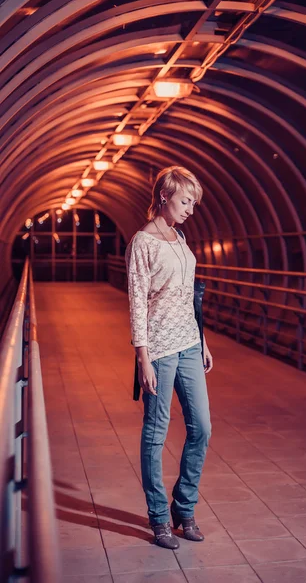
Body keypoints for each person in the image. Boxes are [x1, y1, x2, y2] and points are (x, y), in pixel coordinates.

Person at [125, 165, 213, 550]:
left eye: (193, 202)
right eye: (185, 201)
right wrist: (143, 358)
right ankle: (160, 517)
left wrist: (203, 339)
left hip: (190, 344)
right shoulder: (143, 242)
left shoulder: (179, 236)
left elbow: (187, 296)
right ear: (164, 196)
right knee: (156, 434)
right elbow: (137, 305)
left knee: (202, 428)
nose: (190, 209)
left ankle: (184, 506)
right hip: (160, 349)